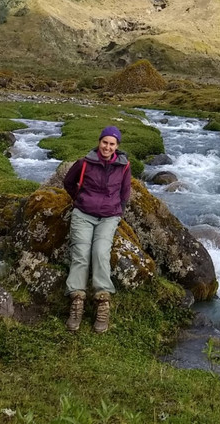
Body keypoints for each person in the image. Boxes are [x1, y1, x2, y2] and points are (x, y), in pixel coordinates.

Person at [62, 125, 132, 333]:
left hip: (109, 217)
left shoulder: (124, 166)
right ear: (99, 141)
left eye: (112, 144)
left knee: (100, 252)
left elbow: (125, 192)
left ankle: (102, 302)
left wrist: (117, 210)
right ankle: (77, 302)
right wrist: (80, 199)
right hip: (83, 214)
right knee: (81, 253)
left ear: (117, 146)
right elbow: (68, 182)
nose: (107, 147)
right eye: (104, 142)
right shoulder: (85, 162)